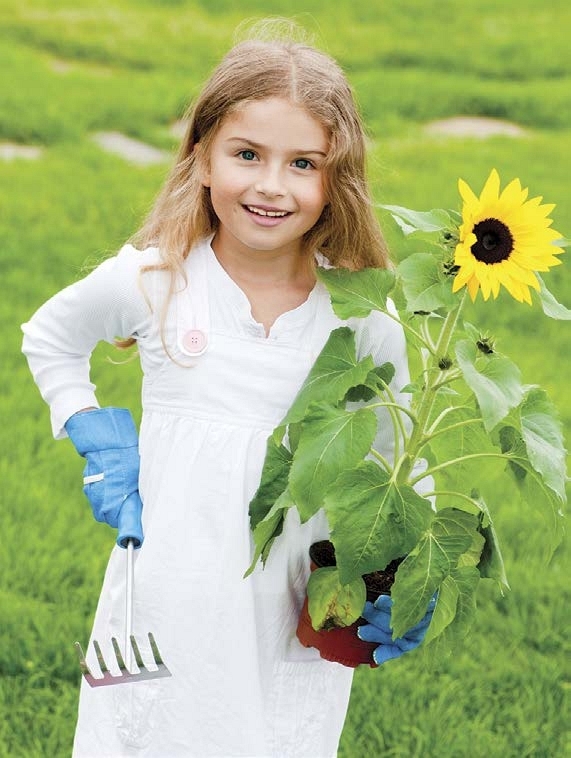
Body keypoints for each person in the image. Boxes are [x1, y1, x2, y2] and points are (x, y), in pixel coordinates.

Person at [21, 22, 433, 758]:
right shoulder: (157, 280)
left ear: (334, 180)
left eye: (302, 163)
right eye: (247, 155)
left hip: (290, 605)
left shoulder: (360, 312)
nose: (271, 185)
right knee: (143, 734)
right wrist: (91, 431)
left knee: (275, 736)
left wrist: (406, 569)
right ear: (203, 158)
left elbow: (400, 448)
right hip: (164, 590)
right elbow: (49, 337)